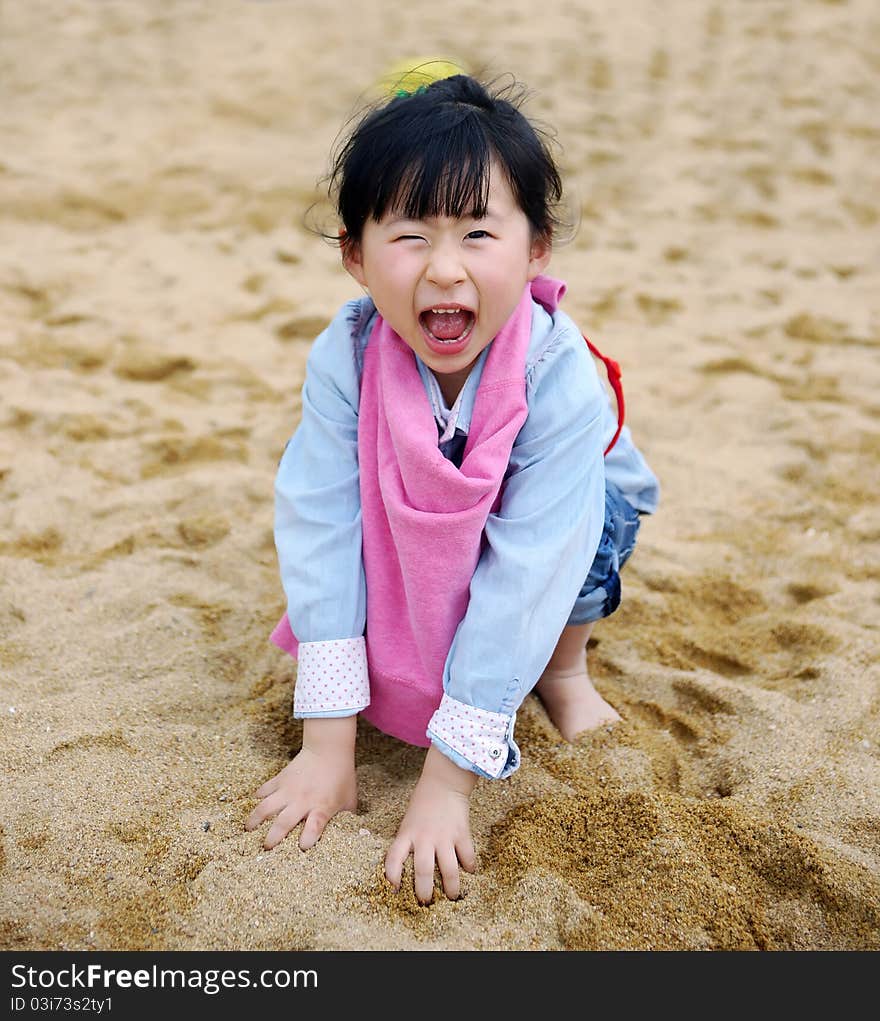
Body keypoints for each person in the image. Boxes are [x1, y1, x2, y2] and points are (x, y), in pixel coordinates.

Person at [245, 72, 659, 905]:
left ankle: (566, 673)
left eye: (478, 232)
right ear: (354, 253)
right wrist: (328, 746)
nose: (443, 269)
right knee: (351, 518)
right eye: (409, 236)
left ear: (536, 247)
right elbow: (322, 521)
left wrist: (446, 784)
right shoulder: (347, 355)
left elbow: (528, 569)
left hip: (569, 530)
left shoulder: (561, 379)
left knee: (579, 547)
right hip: (417, 531)